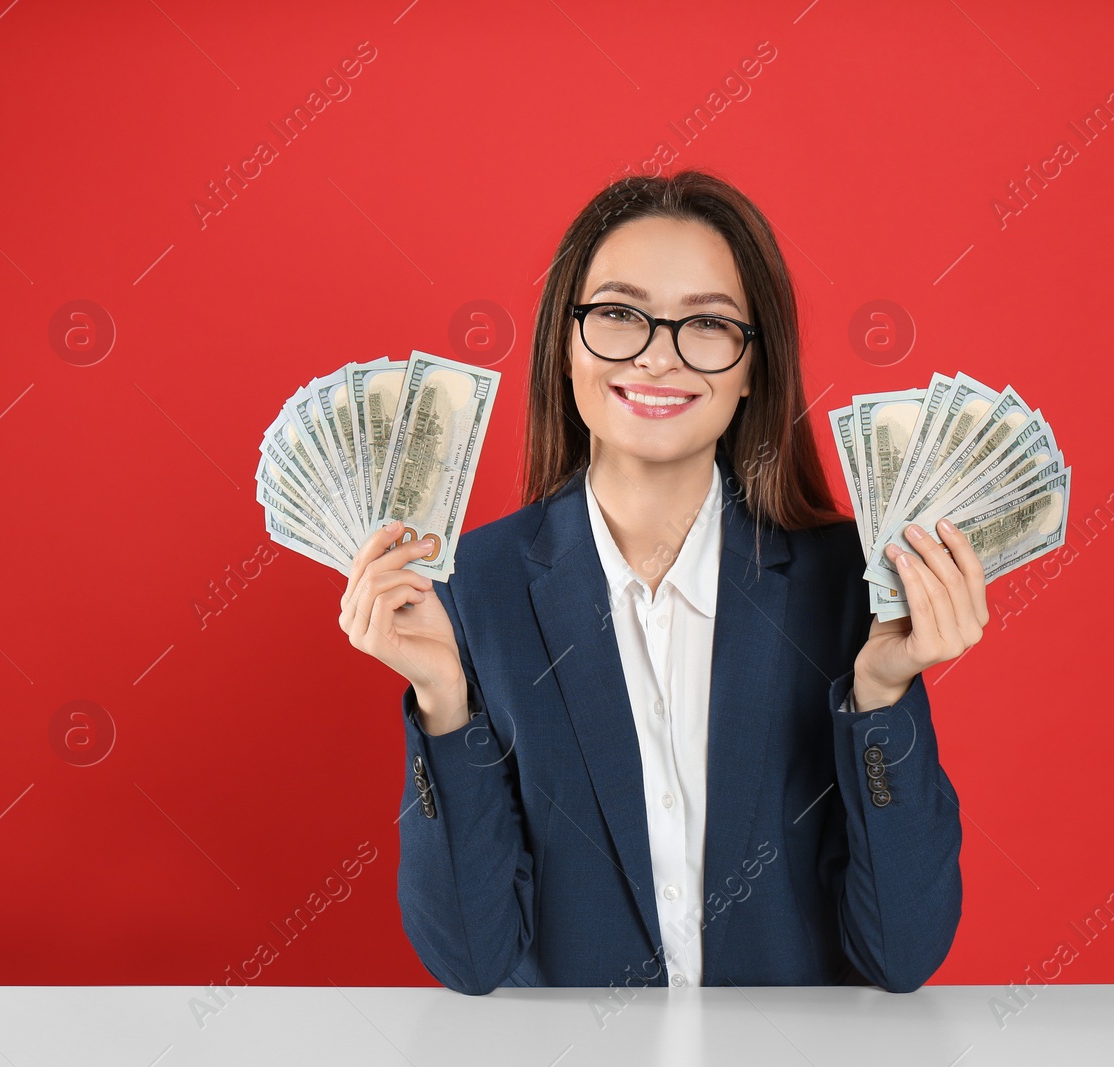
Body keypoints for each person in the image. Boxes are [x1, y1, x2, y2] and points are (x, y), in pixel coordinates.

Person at [338, 170, 988, 995]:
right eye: (617, 312)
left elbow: (903, 953)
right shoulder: (473, 588)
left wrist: (884, 696)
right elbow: (471, 958)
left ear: (755, 366)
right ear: (565, 344)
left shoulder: (850, 586)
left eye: (709, 323)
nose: (657, 352)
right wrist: (442, 699)